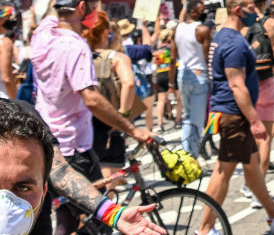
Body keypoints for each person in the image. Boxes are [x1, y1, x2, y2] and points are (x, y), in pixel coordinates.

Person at [32, 0, 155, 234]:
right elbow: (91, 99)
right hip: (75, 148)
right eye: (90, 3)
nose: (93, 8)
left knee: (66, 212)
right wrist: (132, 129)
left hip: (48, 141)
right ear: (80, 7)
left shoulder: (42, 34)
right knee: (102, 218)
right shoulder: (75, 45)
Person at [197, 0, 274, 235]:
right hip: (235, 114)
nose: (256, 13)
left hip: (231, 112)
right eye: (251, 8)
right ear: (237, 10)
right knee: (223, 172)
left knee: (252, 168)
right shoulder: (232, 42)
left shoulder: (223, 36)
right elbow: (236, 84)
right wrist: (254, 120)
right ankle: (204, 229)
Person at [0, 99, 165, 235]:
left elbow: (60, 173)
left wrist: (114, 214)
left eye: (22, 187)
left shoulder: (23, 117)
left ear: (43, 190)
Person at [83, 13, 138, 185]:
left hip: (84, 123)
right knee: (109, 180)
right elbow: (129, 84)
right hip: (110, 123)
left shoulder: (80, 56)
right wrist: (123, 114)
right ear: (106, 32)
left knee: (88, 181)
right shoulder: (118, 58)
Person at [243, 0, 274, 183]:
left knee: (250, 136)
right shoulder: (273, 24)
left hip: (247, 83)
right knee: (266, 138)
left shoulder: (243, 25)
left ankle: (248, 181)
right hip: (268, 80)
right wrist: (273, 62)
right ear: (264, 3)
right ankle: (259, 186)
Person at [169, 0, 212, 157]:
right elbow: (208, 58)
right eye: (201, 10)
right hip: (199, 75)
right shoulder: (202, 30)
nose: (204, 13)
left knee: (188, 117)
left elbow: (173, 59)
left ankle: (187, 152)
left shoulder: (177, 29)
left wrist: (171, 83)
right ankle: (191, 156)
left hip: (183, 74)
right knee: (197, 120)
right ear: (193, 11)